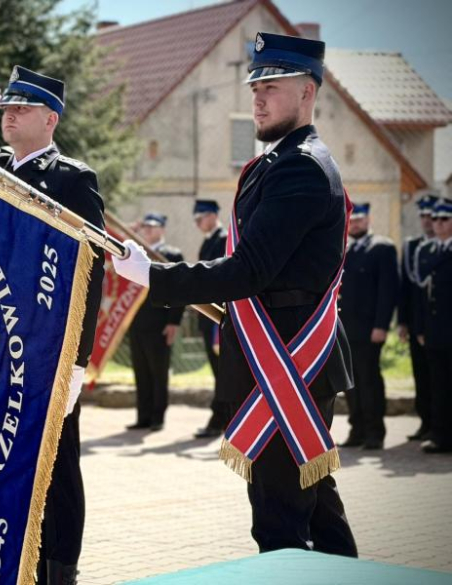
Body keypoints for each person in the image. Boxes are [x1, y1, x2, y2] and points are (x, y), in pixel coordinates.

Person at [113, 32, 358, 557]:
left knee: (280, 524)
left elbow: (250, 269)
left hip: (288, 360)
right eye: (255, 86)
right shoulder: (282, 161)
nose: (258, 97)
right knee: (314, 507)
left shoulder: (300, 167)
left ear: (308, 91)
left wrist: (156, 277)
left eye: (272, 84)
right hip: (273, 355)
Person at [0, 65, 105, 584]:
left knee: (54, 464)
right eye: (6, 106)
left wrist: (76, 359)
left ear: (50, 119)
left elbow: (91, 271)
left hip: (43, 346)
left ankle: (60, 570)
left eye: (22, 108)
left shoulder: (71, 180)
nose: (9, 114)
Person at [338, 203, 399, 450]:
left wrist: (382, 325)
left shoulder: (382, 248)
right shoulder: (342, 250)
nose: (355, 224)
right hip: (345, 329)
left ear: (368, 220)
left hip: (369, 329)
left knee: (369, 380)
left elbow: (388, 291)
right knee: (350, 382)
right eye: (352, 221)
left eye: (360, 220)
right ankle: (357, 430)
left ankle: (375, 432)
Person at [126, 212, 184, 432]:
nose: (148, 230)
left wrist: (174, 322)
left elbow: (179, 290)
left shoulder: (171, 253)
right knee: (141, 372)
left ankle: (158, 417)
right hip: (137, 323)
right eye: (146, 226)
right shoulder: (136, 255)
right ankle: (143, 416)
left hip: (160, 323)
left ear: (162, 229)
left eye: (153, 226)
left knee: (159, 373)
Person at [397, 194, 438, 441]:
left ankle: (440, 424)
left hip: (439, 324)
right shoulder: (413, 247)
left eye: (431, 217)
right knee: (421, 375)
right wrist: (402, 321)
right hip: (416, 323)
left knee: (440, 378)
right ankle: (425, 422)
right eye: (423, 216)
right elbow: (406, 289)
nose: (427, 221)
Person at [415, 198, 452, 454]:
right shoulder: (427, 251)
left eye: (444, 219)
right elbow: (420, 296)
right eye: (435, 219)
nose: (437, 224)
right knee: (438, 386)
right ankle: (440, 435)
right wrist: (420, 328)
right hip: (435, 332)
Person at [191, 199, 229, 439]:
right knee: (218, 371)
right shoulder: (209, 240)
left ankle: (220, 419)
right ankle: (222, 417)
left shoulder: (223, 239)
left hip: (218, 314)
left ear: (214, 215)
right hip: (208, 315)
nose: (197, 223)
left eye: (201, 217)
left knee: (223, 371)